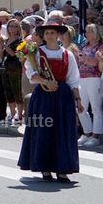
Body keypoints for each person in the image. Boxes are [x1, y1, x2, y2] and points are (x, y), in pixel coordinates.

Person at [17, 16, 83, 183]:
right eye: (47, 33)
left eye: (53, 32)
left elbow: (73, 79)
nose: (50, 36)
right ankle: (45, 167)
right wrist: (46, 82)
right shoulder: (37, 53)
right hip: (44, 95)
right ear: (43, 36)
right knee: (44, 131)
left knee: (63, 132)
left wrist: (78, 99)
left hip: (62, 96)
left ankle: (63, 169)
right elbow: (30, 73)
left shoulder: (67, 54)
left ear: (59, 35)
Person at [77, 24, 103, 147]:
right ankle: (87, 133)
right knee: (81, 107)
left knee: (96, 108)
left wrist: (83, 58)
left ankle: (96, 135)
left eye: (89, 32)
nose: (86, 34)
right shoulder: (84, 46)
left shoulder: (100, 47)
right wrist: (83, 59)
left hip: (94, 78)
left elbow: (95, 62)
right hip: (82, 78)